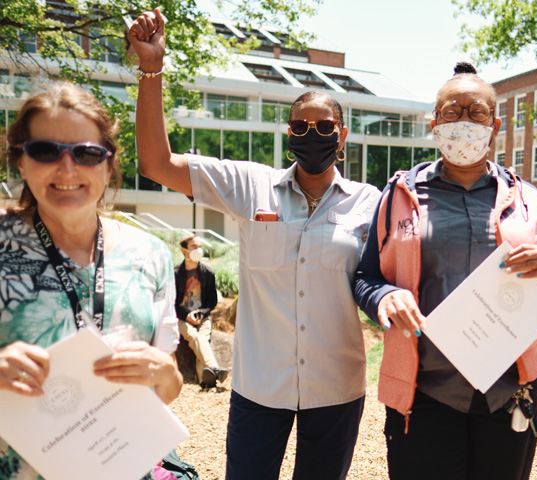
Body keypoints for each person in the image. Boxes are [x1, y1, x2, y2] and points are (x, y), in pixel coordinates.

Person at [128, 9, 381, 480]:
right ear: (289, 134)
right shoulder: (251, 186)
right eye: (300, 127)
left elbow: (391, 278)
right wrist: (152, 68)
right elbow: (156, 164)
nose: (312, 135)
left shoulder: (371, 203)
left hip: (337, 389)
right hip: (259, 388)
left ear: (342, 135)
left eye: (324, 127)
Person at [354, 62, 537, 480]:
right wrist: (385, 296)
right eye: (452, 113)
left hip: (510, 390)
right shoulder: (398, 195)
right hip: (424, 390)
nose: (465, 123)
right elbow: (366, 278)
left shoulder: (528, 199)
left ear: (495, 125)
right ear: (434, 124)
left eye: (477, 113)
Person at [0, 83, 182, 480]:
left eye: (85, 153)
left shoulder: (150, 254)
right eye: (45, 150)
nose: (67, 169)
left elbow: (167, 382)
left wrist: (165, 375)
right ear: (20, 161)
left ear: (108, 164)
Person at [175, 234, 227, 388]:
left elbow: (212, 301)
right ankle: (214, 368)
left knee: (202, 339)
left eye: (200, 246)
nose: (199, 250)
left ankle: (205, 381)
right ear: (184, 251)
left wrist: (201, 313)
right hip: (181, 317)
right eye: (194, 247)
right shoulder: (175, 274)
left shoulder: (207, 273)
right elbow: (171, 303)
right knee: (193, 336)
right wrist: (186, 316)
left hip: (203, 317)